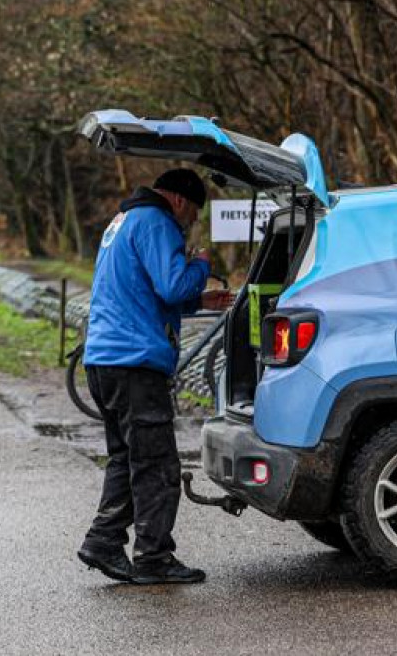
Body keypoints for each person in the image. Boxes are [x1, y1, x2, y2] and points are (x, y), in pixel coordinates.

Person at [77, 168, 234, 585]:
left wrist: (198, 301)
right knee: (157, 464)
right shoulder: (157, 221)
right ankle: (153, 556)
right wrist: (200, 266)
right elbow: (170, 286)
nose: (191, 225)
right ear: (180, 201)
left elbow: (142, 293)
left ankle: (103, 541)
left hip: (105, 359)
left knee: (126, 458)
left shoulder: (123, 221)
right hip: (135, 362)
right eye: (194, 216)